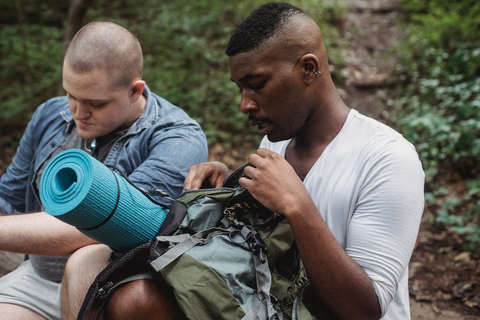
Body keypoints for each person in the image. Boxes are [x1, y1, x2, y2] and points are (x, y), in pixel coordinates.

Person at [62, 2, 425, 320]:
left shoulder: (387, 158)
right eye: (240, 88)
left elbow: (367, 309)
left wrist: (298, 206)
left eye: (257, 84)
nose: (245, 104)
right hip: (270, 307)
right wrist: (228, 184)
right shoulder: (277, 141)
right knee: (130, 299)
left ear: (309, 69)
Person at [0, 21, 208, 320]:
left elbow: (96, 227)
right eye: (71, 95)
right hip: (38, 280)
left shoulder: (177, 138)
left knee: (86, 259)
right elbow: (8, 198)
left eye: (96, 103)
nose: (78, 113)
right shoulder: (49, 115)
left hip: (114, 286)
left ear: (135, 91)